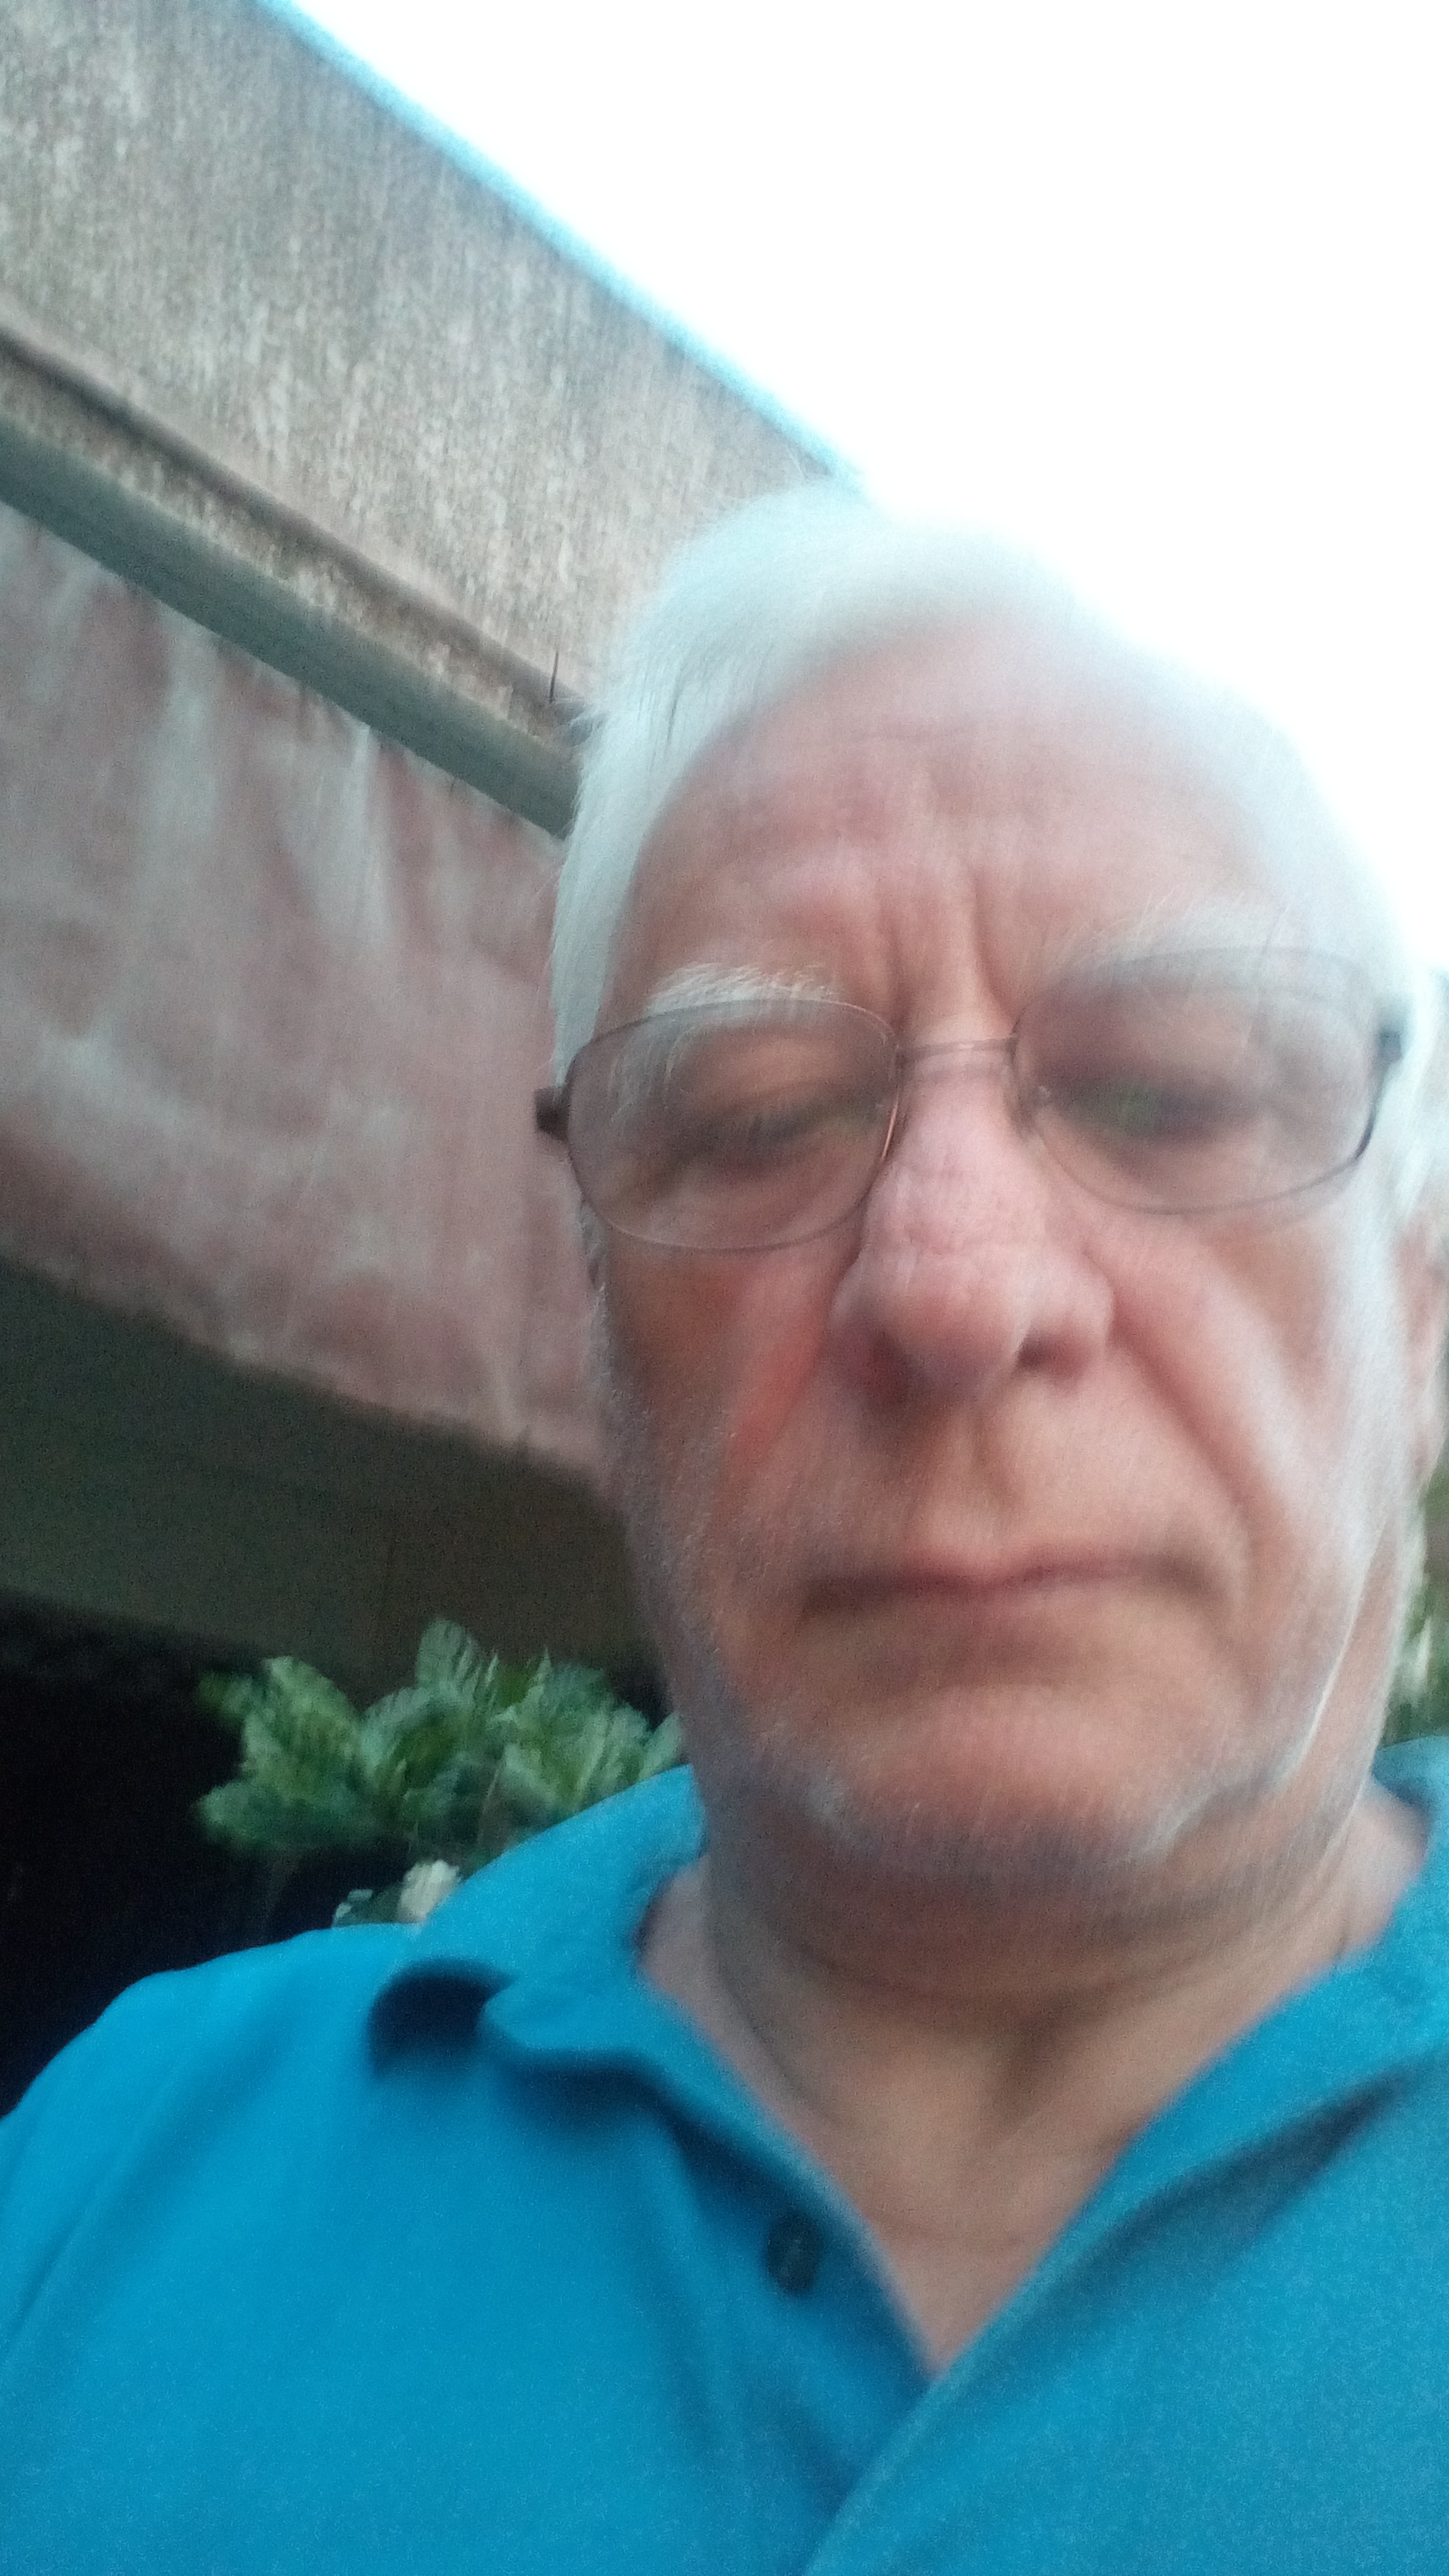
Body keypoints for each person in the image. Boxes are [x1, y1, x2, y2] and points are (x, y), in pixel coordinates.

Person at [3, 491, 1448, 2574]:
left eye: (1169, 1089)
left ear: (1418, 1311)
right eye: (758, 1119)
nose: (952, 1284)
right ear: (602, 1329)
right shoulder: (111, 2183)